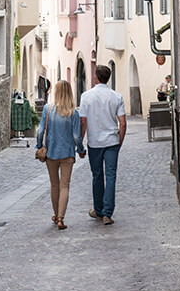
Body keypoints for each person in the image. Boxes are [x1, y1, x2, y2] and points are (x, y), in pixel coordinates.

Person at [79, 64, 126, 225]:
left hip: (95, 142)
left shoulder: (86, 96)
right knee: (111, 176)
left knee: (97, 175)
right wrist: (119, 141)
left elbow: (83, 121)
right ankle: (107, 213)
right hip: (112, 141)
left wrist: (80, 142)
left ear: (96, 77)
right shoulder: (116, 97)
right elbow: (123, 123)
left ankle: (98, 210)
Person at [35, 80, 85, 230]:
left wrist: (39, 146)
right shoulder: (74, 112)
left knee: (54, 185)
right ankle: (61, 219)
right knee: (65, 186)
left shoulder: (47, 109)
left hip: (51, 153)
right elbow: (76, 136)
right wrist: (81, 150)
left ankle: (56, 214)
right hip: (67, 154)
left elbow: (39, 131)